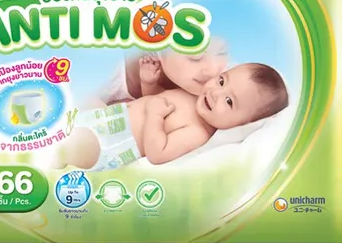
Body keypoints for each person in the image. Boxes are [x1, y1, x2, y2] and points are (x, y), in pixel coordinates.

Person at [56, 63, 288, 169]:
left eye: (229, 102)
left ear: (241, 123)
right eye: (221, 81)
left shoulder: (198, 132)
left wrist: (155, 116)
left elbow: (158, 153)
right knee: (81, 99)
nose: (215, 93)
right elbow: (156, 98)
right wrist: (149, 83)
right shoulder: (194, 94)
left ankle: (55, 155)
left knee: (77, 145)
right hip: (108, 116)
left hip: (112, 145)